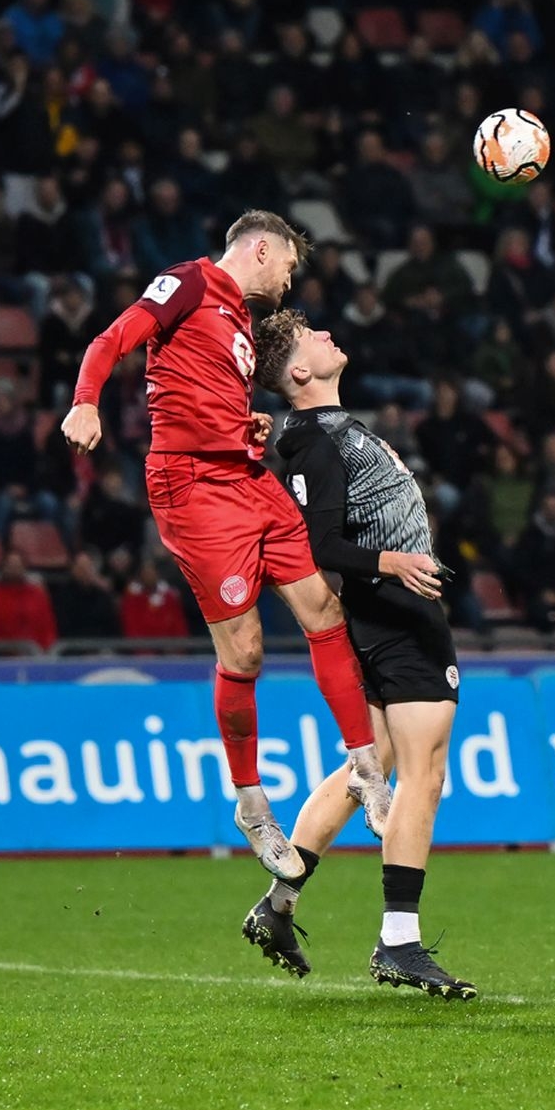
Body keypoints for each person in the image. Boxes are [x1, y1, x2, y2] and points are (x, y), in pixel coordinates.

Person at [63, 210, 389, 882]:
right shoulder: (187, 282)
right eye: (289, 266)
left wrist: (244, 426)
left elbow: (202, 396)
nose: (290, 281)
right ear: (262, 250)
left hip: (247, 477)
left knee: (324, 610)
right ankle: (251, 804)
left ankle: (366, 766)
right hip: (193, 491)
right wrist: (86, 401)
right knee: (244, 652)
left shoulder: (239, 318)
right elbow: (111, 338)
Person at [249, 308, 475, 1001]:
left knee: (367, 769)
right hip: (395, 616)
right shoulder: (315, 440)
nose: (327, 335)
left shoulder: (321, 432)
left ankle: (279, 904)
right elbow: (318, 546)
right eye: (312, 337)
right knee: (424, 774)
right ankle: (398, 941)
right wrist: (393, 563)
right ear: (299, 371)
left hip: (380, 616)